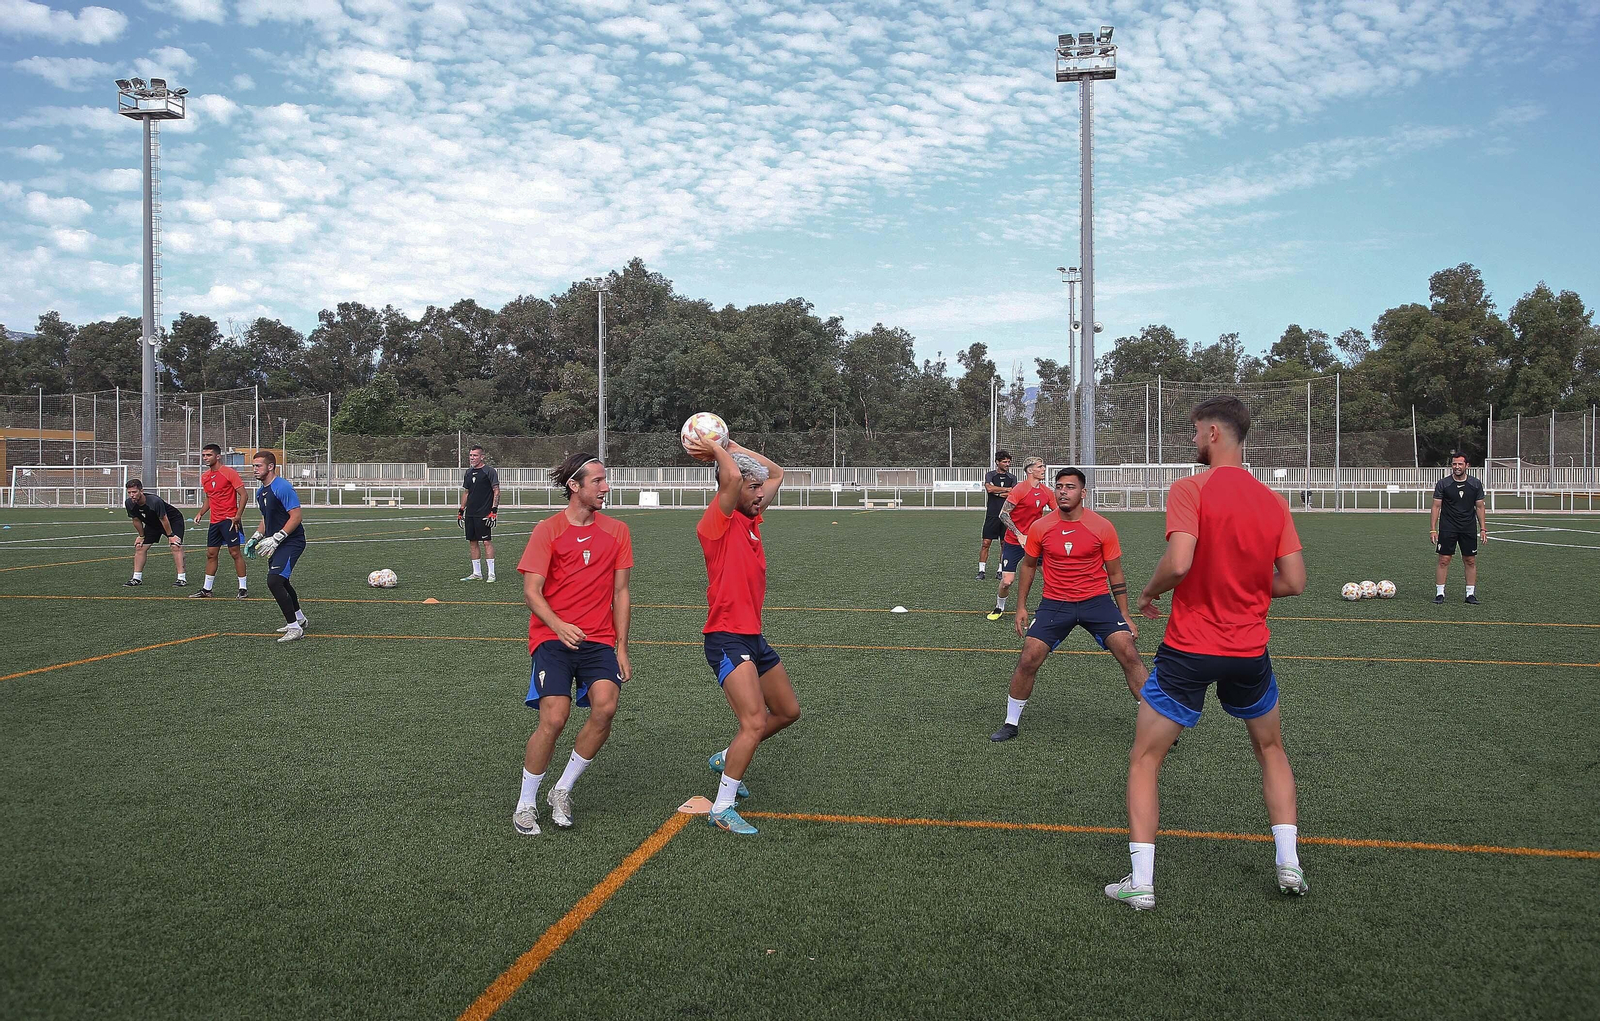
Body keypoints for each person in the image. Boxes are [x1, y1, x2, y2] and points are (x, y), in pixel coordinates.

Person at [1107, 396, 1308, 911]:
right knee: (1271, 751)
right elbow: (1295, 582)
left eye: (1196, 431)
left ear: (1214, 432)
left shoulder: (1190, 488)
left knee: (1145, 760)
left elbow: (1178, 563)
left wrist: (1149, 594)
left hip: (1189, 649)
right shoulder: (1272, 500)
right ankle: (1289, 864)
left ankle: (1142, 882)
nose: (1193, 440)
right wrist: (1247, 586)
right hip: (1249, 651)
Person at [512, 454, 633, 837]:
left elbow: (622, 592)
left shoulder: (617, 532)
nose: (606, 488)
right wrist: (558, 625)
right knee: (555, 718)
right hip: (552, 637)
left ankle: (561, 789)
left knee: (606, 708)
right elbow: (532, 592)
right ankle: (526, 803)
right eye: (597, 481)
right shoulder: (547, 530)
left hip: (598, 640)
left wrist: (622, 647)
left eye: (605, 480)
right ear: (574, 486)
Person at [687, 433, 800, 836]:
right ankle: (722, 806)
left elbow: (777, 472)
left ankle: (726, 756)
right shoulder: (717, 522)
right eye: (752, 489)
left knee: (787, 712)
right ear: (731, 489)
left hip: (753, 637)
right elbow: (732, 477)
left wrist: (732, 443)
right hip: (725, 637)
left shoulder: (751, 521)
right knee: (753, 722)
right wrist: (714, 447)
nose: (760, 493)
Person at [990, 468, 1145, 741]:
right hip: (1054, 604)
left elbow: (1116, 573)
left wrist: (1125, 614)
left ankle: (1154, 725)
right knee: (1029, 657)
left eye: (1070, 487)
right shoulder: (1041, 527)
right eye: (1059, 486)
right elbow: (1028, 567)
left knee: (1129, 653)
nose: (1063, 491)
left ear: (1083, 493)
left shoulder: (1102, 526)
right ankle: (1011, 722)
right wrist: (1022, 606)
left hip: (1096, 602)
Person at [246, 451, 309, 643]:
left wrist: (277, 538)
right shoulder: (260, 492)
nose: (254, 469)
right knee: (282, 581)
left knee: (274, 581)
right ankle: (299, 618)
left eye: (258, 466)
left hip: (291, 541)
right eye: (254, 466)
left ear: (271, 466)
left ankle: (294, 628)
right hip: (276, 543)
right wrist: (256, 536)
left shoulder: (282, 486)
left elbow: (296, 516)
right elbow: (267, 518)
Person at [987, 456, 1055, 621]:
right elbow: (1003, 514)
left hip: (1036, 543)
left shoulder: (1047, 492)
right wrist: (1019, 535)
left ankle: (1048, 610)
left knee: (1051, 578)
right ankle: (999, 607)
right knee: (1007, 581)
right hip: (1013, 541)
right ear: (1030, 470)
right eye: (1040, 466)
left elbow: (1057, 514)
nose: (1043, 469)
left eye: (1043, 466)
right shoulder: (1019, 489)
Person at [190, 443, 249, 599]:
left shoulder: (229, 473)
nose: (205, 458)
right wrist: (201, 513)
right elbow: (209, 498)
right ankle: (207, 589)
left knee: (234, 553)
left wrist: (238, 515)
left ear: (218, 456)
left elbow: (244, 495)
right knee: (211, 554)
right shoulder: (205, 477)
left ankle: (243, 588)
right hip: (214, 521)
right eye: (203, 455)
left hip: (230, 520)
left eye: (208, 455)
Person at [1430, 453, 1487, 605]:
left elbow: (1480, 507)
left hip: (1468, 527)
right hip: (1448, 526)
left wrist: (1483, 529)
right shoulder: (1443, 484)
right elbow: (1436, 506)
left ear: (1467, 465)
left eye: (1460, 464)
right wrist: (1433, 529)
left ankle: (1470, 594)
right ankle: (1440, 593)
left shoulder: (1475, 484)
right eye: (1454, 464)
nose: (1457, 467)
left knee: (1470, 560)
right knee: (1444, 559)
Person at [122, 480, 187, 587]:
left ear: (141, 491)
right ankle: (136, 578)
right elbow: (136, 520)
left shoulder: (154, 501)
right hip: (153, 524)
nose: (131, 495)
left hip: (172, 520)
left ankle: (181, 579)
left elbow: (164, 519)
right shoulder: (129, 503)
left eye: (134, 492)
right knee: (140, 547)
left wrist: (171, 536)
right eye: (129, 492)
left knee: (175, 546)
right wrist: (141, 536)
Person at [458, 445, 501, 583]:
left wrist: (494, 510)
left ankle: (491, 574)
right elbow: (466, 492)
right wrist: (461, 510)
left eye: (475, 455)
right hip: (470, 513)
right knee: (472, 542)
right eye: (471, 455)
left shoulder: (489, 471)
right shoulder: (468, 473)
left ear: (482, 456)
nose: (472, 458)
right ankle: (477, 573)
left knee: (486, 541)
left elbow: (496, 491)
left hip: (484, 513)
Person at [976, 450, 1017, 581]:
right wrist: (1006, 490)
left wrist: (997, 491)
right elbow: (989, 489)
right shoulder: (990, 475)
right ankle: (981, 571)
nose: (1007, 464)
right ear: (997, 462)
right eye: (1004, 461)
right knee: (986, 543)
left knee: (1004, 544)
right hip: (992, 515)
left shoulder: (1012, 478)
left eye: (1009, 462)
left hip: (1006, 515)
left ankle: (1000, 570)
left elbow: (1013, 494)